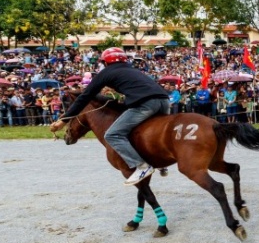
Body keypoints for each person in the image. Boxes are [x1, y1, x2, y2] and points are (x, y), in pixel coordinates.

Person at [49, 47, 170, 186]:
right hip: (165, 102)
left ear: (105, 63)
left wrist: (63, 120)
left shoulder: (106, 72)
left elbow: (84, 98)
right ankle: (161, 163)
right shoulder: (133, 70)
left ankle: (142, 167)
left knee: (112, 135)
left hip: (147, 104)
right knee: (148, 132)